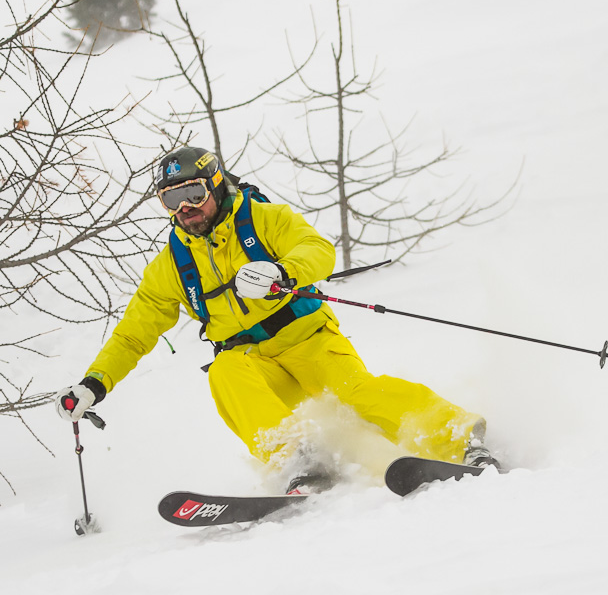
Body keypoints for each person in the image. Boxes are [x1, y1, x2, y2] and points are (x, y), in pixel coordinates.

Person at [56, 146, 499, 493]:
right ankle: (298, 462)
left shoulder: (264, 219)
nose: (184, 208)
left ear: (215, 186)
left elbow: (317, 249)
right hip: (255, 363)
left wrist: (283, 272)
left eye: (193, 194)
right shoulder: (172, 263)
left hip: (307, 339)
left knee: (355, 392)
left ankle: (460, 436)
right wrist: (94, 384)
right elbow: (134, 333)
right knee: (224, 371)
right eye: (171, 199)